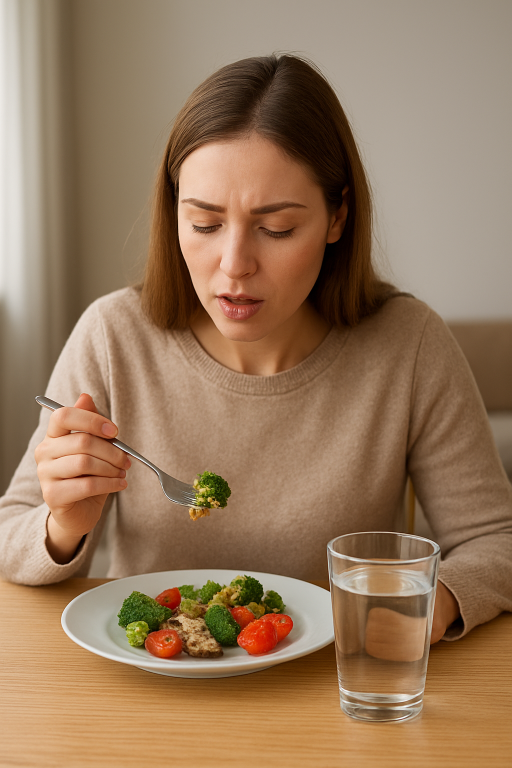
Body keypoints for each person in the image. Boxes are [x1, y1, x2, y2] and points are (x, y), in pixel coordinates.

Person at [0, 55, 511, 647]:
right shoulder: (113, 336)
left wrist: (428, 606)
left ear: (337, 216)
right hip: (156, 697)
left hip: (336, 690)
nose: (235, 265)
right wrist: (64, 525)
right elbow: (13, 532)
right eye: (205, 223)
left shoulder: (409, 344)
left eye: (276, 229)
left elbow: (495, 538)